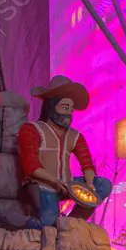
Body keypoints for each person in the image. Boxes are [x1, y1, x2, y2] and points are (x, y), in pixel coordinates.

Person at [17, 76, 113, 229]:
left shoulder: (75, 136)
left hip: (67, 184)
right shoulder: (32, 130)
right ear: (51, 106)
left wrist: (89, 183)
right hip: (42, 184)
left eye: (71, 109)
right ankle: (20, 224)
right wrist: (55, 182)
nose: (68, 113)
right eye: (64, 107)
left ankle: (70, 223)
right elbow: (31, 166)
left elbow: (87, 163)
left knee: (103, 185)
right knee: (48, 222)